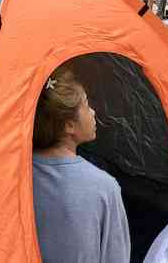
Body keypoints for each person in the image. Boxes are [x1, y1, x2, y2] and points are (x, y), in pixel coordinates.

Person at [32, 61, 131, 263]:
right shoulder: (104, 187)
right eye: (86, 105)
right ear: (69, 125)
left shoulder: (15, 175)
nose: (93, 112)